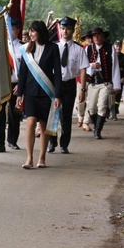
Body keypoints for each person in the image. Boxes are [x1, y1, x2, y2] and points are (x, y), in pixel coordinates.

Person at [15, 20, 62, 169]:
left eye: (33, 31)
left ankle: (42, 158)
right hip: (30, 93)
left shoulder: (53, 48)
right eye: (29, 31)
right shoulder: (26, 49)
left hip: (46, 93)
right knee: (30, 123)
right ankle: (29, 158)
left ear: (40, 32)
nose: (30, 33)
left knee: (43, 125)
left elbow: (58, 74)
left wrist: (58, 96)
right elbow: (22, 73)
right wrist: (19, 94)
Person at [48, 17, 89, 154]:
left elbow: (83, 70)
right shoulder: (53, 47)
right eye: (63, 28)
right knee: (53, 114)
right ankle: (52, 142)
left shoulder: (79, 49)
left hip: (69, 84)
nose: (65, 31)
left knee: (66, 116)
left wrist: (82, 89)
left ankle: (64, 144)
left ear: (72, 30)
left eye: (68, 29)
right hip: (54, 84)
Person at [0, 17, 23, 152]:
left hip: (16, 83)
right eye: (8, 28)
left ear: (17, 30)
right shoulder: (0, 46)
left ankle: (12, 140)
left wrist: (21, 85)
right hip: (2, 83)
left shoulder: (23, 47)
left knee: (13, 114)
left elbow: (26, 69)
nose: (10, 31)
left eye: (13, 28)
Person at [85, 27, 112, 139]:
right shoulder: (88, 49)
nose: (96, 37)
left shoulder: (109, 48)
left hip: (105, 83)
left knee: (102, 106)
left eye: (98, 35)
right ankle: (97, 125)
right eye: (94, 35)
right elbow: (84, 65)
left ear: (103, 36)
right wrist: (92, 65)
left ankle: (97, 131)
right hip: (93, 83)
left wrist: (116, 85)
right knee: (91, 108)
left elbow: (114, 67)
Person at [110, 39, 124, 121]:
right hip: (111, 79)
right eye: (116, 46)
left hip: (120, 79)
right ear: (114, 46)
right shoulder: (110, 56)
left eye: (119, 46)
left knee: (117, 97)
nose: (118, 48)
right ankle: (111, 112)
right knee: (110, 97)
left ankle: (115, 110)